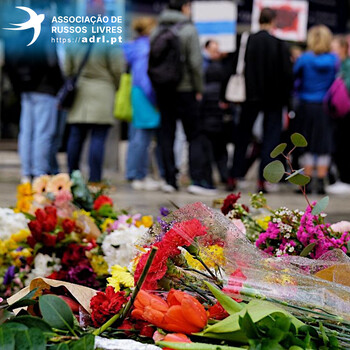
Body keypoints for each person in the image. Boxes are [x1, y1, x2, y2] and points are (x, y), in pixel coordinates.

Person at [151, 0, 216, 195]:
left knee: (166, 135)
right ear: (184, 7)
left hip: (164, 90)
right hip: (185, 89)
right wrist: (199, 88)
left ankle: (170, 180)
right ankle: (197, 180)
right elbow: (196, 63)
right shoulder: (188, 29)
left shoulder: (158, 29)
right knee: (193, 135)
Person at [227, 8, 293, 193]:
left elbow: (235, 67)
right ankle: (263, 180)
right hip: (274, 98)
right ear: (273, 21)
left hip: (249, 96)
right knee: (270, 138)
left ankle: (234, 175)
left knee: (243, 136)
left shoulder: (247, 40)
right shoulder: (280, 44)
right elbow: (288, 75)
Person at [4, 18, 63, 183]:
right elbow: (53, 63)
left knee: (26, 132)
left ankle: (26, 172)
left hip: (25, 90)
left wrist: (20, 86)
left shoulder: (22, 34)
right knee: (43, 133)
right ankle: (39, 173)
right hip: (45, 90)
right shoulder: (46, 34)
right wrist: (59, 86)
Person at [65, 44, 122, 183]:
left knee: (76, 136)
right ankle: (95, 179)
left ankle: (73, 177)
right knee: (98, 137)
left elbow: (68, 69)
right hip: (103, 90)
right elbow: (117, 69)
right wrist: (114, 85)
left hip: (80, 91)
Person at [294, 25, 338, 194]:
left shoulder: (304, 59)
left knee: (305, 143)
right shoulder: (333, 60)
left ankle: (305, 181)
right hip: (325, 106)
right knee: (322, 144)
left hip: (306, 105)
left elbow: (295, 77)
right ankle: (320, 182)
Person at [124, 18, 163, 191]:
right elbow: (144, 77)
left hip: (137, 93)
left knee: (137, 136)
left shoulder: (135, 46)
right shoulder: (146, 49)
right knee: (142, 137)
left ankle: (135, 172)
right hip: (144, 94)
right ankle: (138, 174)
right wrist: (154, 98)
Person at [200, 40, 229, 184]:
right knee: (222, 153)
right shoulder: (224, 92)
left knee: (208, 153)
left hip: (207, 125)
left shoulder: (205, 91)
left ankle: (208, 179)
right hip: (221, 125)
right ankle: (225, 177)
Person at [327, 36, 350, 194]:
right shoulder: (338, 64)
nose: (332, 51)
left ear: (343, 48)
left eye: (334, 48)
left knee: (343, 145)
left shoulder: (346, 65)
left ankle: (346, 179)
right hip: (338, 111)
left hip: (346, 111)